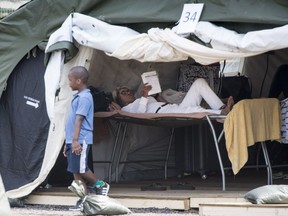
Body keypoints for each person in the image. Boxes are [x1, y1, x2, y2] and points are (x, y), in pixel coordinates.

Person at [63, 66, 109, 207]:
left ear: (78, 81)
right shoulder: (77, 96)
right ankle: (84, 199)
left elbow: (79, 120)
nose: (69, 83)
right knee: (75, 170)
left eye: (70, 80)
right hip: (73, 140)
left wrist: (76, 141)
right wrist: (68, 142)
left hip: (80, 139)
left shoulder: (85, 97)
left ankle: (100, 185)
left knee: (82, 168)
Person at [112, 78, 234, 115]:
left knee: (199, 82)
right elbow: (140, 114)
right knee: (195, 111)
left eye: (128, 90)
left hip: (173, 107)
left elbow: (164, 102)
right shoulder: (126, 109)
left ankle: (221, 107)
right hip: (167, 113)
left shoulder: (143, 99)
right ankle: (221, 114)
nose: (128, 93)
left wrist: (156, 95)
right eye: (124, 93)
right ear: (120, 100)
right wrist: (144, 96)